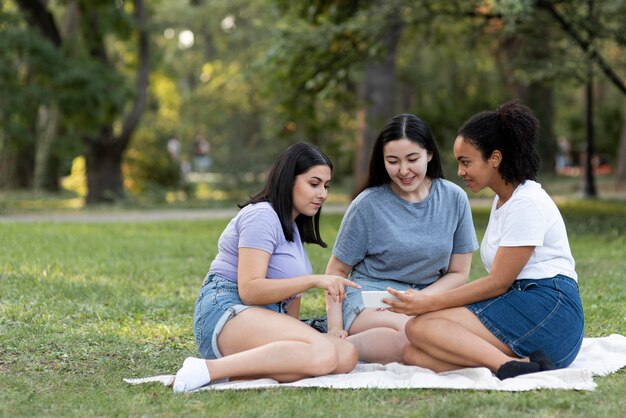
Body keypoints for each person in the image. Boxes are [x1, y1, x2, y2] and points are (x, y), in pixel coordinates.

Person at [385, 100, 584, 379]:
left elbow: (497, 282)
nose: (460, 172)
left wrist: (429, 302)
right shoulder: (503, 200)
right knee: (413, 355)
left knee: (419, 327)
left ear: (495, 158)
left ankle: (506, 367)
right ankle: (525, 364)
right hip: (522, 307)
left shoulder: (528, 201)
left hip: (550, 312)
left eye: (466, 162)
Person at [173, 142, 360, 392]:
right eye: (314, 184)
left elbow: (290, 302)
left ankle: (247, 371)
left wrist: (306, 335)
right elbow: (250, 289)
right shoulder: (261, 216)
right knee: (324, 352)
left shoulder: (292, 227)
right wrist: (314, 280)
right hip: (227, 310)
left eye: (326, 186)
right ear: (288, 180)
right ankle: (207, 369)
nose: (323, 194)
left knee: (346, 354)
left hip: (265, 316)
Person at [325, 114, 479, 364]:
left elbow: (459, 273)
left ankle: (354, 348)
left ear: (429, 154)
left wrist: (421, 301)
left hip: (431, 298)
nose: (403, 170)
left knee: (444, 332)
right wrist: (334, 328)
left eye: (412, 159)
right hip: (373, 299)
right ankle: (332, 346)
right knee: (416, 333)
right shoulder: (367, 205)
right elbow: (336, 272)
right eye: (393, 161)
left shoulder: (454, 198)